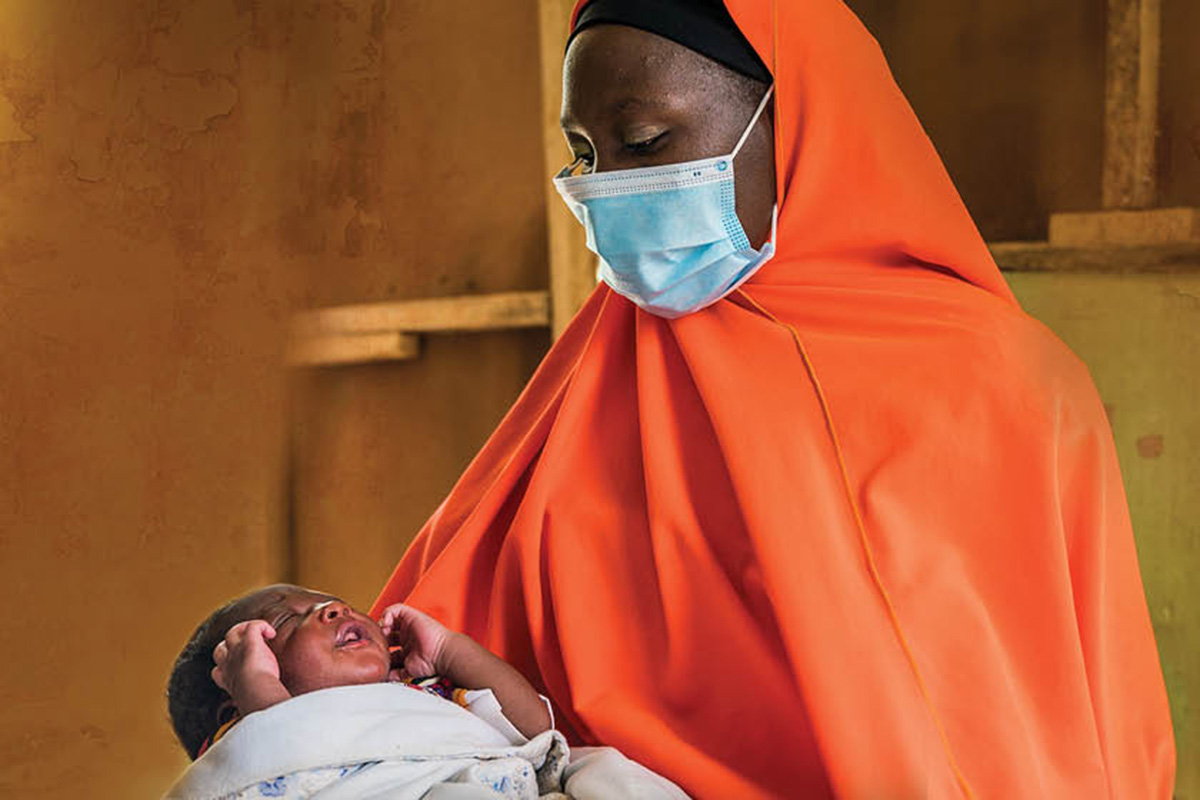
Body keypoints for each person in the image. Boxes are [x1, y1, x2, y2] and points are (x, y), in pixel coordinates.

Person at [375, 1, 1176, 797]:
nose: (605, 189)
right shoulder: (586, 384)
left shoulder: (1014, 387)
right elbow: (425, 664)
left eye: (645, 142)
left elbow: (1095, 716)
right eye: (583, 153)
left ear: (796, 125)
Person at [165, 584, 687, 799]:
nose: (333, 611)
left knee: (607, 769)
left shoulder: (422, 693)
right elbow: (284, 760)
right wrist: (260, 699)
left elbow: (537, 731)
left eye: (336, 603)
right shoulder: (265, 739)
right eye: (287, 621)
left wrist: (451, 652)